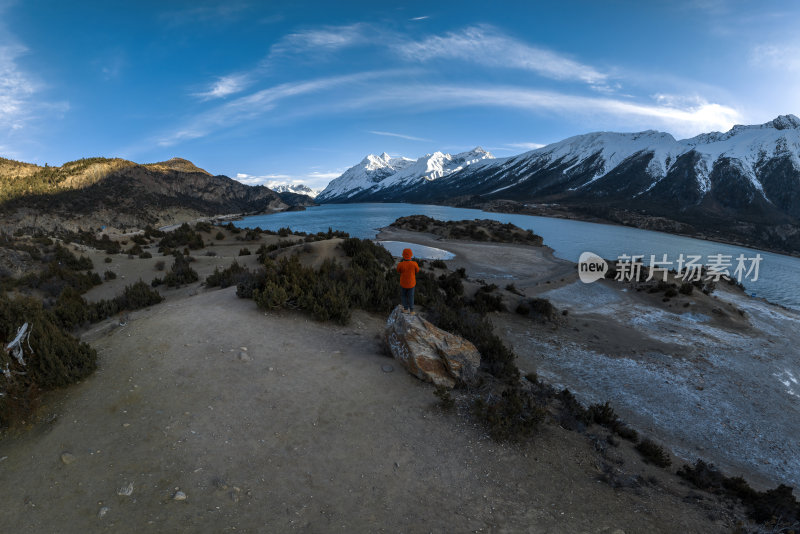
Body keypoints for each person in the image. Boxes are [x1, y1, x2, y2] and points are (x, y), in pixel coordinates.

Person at [396, 248, 419, 314]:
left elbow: (398, 271)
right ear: (411, 255)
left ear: (403, 255)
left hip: (403, 283)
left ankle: (405, 309)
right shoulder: (414, 263)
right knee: (411, 296)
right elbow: (417, 271)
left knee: (403, 295)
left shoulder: (400, 264)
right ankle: (411, 310)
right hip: (411, 284)